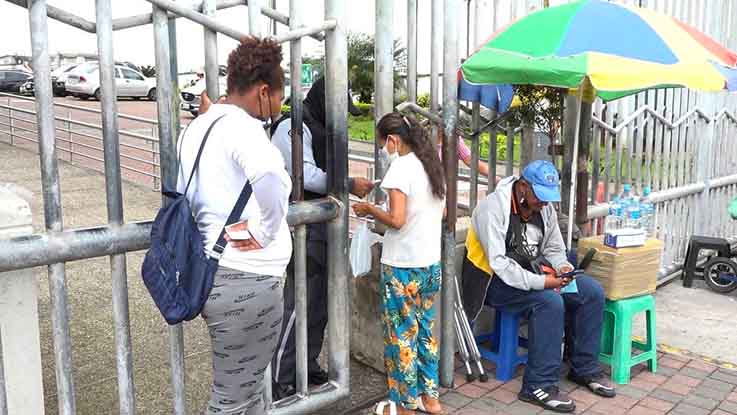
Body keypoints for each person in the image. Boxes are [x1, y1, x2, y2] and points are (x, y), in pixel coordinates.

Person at [176, 36, 292, 415]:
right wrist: (266, 232)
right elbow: (272, 176)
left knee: (250, 393)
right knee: (231, 402)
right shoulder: (244, 129)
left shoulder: (197, 128)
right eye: (278, 98)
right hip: (248, 283)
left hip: (213, 273)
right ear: (262, 92)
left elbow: (189, 194)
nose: (278, 106)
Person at [461, 160, 615, 413]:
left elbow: (554, 247)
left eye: (547, 198)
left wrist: (562, 267)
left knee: (591, 292)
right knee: (549, 302)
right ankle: (537, 385)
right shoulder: (492, 208)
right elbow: (500, 265)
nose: (543, 203)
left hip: (532, 273)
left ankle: (584, 369)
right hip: (493, 281)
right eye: (539, 197)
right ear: (523, 186)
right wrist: (543, 282)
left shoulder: (544, 209)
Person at [269, 76, 374, 399]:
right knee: (299, 304)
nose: (341, 118)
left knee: (321, 305)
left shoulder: (324, 127)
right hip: (303, 226)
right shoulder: (292, 126)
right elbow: (306, 174)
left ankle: (306, 363)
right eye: (340, 110)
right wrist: (347, 182)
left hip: (326, 224)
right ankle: (279, 377)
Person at [353, 113, 446, 415]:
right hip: (430, 265)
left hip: (403, 267)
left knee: (401, 338)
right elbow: (438, 214)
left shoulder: (401, 168)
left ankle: (403, 406)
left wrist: (369, 208)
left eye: (383, 144)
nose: (384, 150)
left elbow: (397, 219)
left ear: (392, 141)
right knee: (425, 334)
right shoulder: (431, 165)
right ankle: (430, 399)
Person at [434, 127, 502, 184]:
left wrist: (495, 178)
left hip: (440, 185)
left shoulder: (455, 139)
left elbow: (471, 161)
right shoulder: (425, 135)